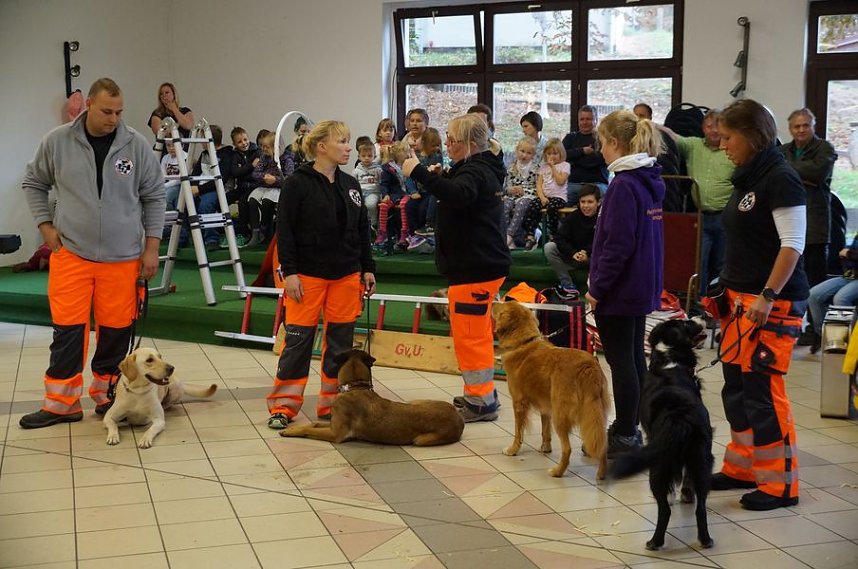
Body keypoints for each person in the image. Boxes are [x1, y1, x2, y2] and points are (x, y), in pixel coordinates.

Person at [19, 77, 165, 429]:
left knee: (116, 330)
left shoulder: (136, 144)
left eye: (119, 112)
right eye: (106, 111)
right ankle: (61, 404)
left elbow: (155, 197)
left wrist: (151, 249)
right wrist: (45, 227)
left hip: (123, 257)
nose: (113, 118)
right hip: (72, 254)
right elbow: (33, 183)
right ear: (88, 106)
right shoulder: (57, 141)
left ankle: (108, 394)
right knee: (68, 331)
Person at [708, 98, 809, 511]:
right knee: (737, 390)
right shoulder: (747, 175)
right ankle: (744, 468)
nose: (722, 144)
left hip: (771, 303)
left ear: (751, 136)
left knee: (763, 393)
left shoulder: (781, 178)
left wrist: (768, 296)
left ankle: (779, 486)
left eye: (728, 137)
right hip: (738, 301)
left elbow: (793, 245)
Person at [267, 120, 376, 429]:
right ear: (321, 147)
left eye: (349, 141)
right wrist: (290, 273)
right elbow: (284, 233)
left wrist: (367, 268)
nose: (348, 147)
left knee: (340, 344)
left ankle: (332, 404)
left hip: (346, 276)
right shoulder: (297, 183)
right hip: (307, 276)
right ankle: (284, 406)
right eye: (342, 141)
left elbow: (361, 232)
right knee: (298, 342)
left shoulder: (351, 184)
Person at [403, 114, 511, 422]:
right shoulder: (480, 166)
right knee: (475, 334)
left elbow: (460, 194)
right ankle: (484, 394)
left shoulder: (476, 171)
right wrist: (442, 175)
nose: (447, 144)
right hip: (478, 265)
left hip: (474, 267)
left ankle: (480, 402)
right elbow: (459, 190)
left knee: (470, 337)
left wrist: (420, 173)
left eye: (452, 140)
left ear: (470, 144)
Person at [585, 109, 665, 456]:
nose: (601, 150)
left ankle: (627, 432)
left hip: (619, 289)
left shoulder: (623, 185)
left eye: (602, 143)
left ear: (615, 143)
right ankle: (634, 425)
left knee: (622, 361)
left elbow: (617, 246)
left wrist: (597, 288)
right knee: (633, 357)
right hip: (641, 285)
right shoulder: (647, 180)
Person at [664, 109, 735, 297]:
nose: (713, 130)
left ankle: (720, 305)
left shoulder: (732, 148)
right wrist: (648, 123)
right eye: (709, 126)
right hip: (701, 216)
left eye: (717, 126)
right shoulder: (694, 146)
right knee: (699, 264)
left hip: (726, 217)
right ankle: (699, 306)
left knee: (722, 264)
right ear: (703, 128)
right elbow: (672, 135)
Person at [780, 108, 837, 289]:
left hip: (815, 222)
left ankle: (813, 317)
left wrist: (788, 168)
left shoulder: (825, 148)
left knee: (814, 279)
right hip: (788, 219)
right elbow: (776, 175)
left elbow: (817, 173)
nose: (801, 130)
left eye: (806, 125)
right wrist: (803, 174)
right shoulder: (782, 149)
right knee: (790, 277)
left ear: (813, 126)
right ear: (790, 129)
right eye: (797, 126)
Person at [544, 183, 601, 295]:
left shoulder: (603, 218)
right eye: (582, 202)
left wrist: (587, 253)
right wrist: (573, 253)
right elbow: (559, 237)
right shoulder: (573, 217)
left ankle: (596, 286)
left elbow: (602, 241)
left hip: (592, 259)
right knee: (549, 247)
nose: (585, 206)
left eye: (590, 202)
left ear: (598, 202)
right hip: (573, 257)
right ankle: (567, 284)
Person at [806, 233, 858, 354]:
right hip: (849, 275)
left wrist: (849, 254)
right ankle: (824, 336)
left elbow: (847, 253)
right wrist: (849, 255)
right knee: (813, 295)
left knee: (841, 298)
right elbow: (844, 253)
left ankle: (847, 339)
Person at [189, 124, 233, 251]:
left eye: (202, 138)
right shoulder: (204, 154)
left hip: (218, 188)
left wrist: (199, 189)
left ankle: (211, 239)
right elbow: (195, 173)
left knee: (205, 205)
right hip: (201, 188)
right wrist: (192, 186)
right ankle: (188, 236)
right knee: (185, 202)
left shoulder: (226, 155)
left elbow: (221, 179)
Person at [562, 105, 609, 203]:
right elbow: (562, 156)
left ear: (596, 120)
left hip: (597, 184)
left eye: (588, 119)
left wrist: (574, 159)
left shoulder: (602, 139)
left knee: (598, 198)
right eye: (582, 119)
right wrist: (582, 151)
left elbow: (600, 160)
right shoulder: (570, 138)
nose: (584, 122)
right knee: (559, 198)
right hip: (573, 184)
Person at [373, 141, 415, 250]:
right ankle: (382, 232)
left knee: (403, 204)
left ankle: (404, 232)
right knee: (383, 205)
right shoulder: (389, 168)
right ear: (398, 154)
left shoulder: (410, 164)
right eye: (405, 152)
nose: (407, 154)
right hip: (395, 194)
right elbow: (384, 184)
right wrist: (385, 194)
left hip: (408, 193)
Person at [246, 131, 283, 247]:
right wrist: (264, 177)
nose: (264, 149)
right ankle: (256, 232)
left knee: (267, 201)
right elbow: (255, 174)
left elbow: (289, 178)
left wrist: (275, 179)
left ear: (275, 147)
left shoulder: (286, 158)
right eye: (262, 147)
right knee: (252, 201)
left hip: (277, 188)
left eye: (267, 147)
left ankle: (264, 228)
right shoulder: (264, 157)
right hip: (264, 186)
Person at [531, 137, 570, 247]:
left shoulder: (565, 165)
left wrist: (553, 167)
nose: (552, 156)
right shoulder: (543, 167)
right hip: (545, 197)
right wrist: (542, 197)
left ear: (561, 154)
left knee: (552, 208)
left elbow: (560, 181)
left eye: (555, 153)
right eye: (549, 154)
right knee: (533, 205)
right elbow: (538, 185)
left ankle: (553, 233)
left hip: (559, 197)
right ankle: (531, 233)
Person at [503, 137, 539, 249]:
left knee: (521, 204)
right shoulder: (511, 167)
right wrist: (510, 190)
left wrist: (525, 191)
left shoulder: (536, 168)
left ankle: (509, 235)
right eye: (522, 151)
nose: (524, 155)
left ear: (533, 155)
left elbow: (538, 187)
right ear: (517, 150)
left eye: (528, 153)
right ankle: (510, 239)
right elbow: (506, 186)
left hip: (529, 195)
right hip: (512, 195)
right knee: (505, 205)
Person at [407, 127, 443, 240]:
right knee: (410, 207)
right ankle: (413, 234)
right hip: (417, 192)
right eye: (433, 145)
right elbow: (409, 177)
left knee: (424, 208)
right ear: (424, 143)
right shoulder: (416, 158)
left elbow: (439, 176)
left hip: (430, 192)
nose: (436, 148)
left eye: (438, 145)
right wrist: (413, 191)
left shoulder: (437, 156)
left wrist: (437, 171)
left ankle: (426, 231)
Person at [229, 126, 261, 242]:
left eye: (245, 139)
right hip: (241, 187)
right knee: (222, 200)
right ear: (234, 144)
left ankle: (245, 233)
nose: (244, 143)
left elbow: (256, 174)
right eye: (239, 142)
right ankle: (226, 230)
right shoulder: (235, 155)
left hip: (254, 186)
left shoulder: (257, 151)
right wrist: (251, 166)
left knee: (243, 202)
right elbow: (235, 172)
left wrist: (243, 170)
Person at [353, 140, 382, 232]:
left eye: (369, 156)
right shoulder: (356, 170)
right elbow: (353, 184)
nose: (366, 158)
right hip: (360, 193)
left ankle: (374, 224)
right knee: (354, 206)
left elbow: (382, 183)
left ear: (374, 157)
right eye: (363, 156)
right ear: (359, 157)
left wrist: (382, 195)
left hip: (373, 192)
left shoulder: (378, 170)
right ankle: (359, 225)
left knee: (370, 205)